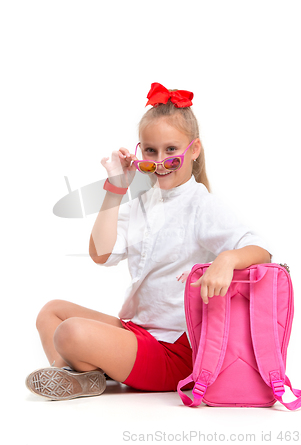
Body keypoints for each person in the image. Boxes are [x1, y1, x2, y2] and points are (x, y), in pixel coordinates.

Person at [26, 82, 272, 401]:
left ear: (193, 150)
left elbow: (261, 251)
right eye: (151, 151)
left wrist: (226, 260)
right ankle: (78, 378)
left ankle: (80, 369)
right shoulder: (145, 201)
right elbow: (100, 254)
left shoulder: (202, 205)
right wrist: (116, 186)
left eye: (171, 150)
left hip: (172, 352)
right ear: (141, 151)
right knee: (52, 312)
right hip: (137, 332)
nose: (160, 161)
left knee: (71, 332)